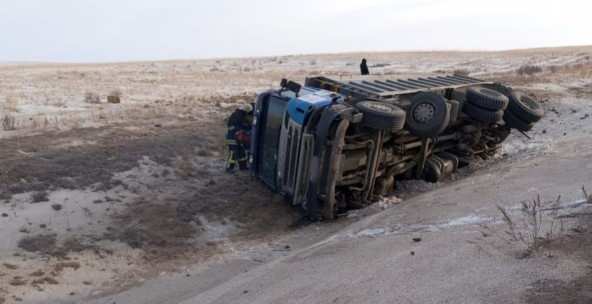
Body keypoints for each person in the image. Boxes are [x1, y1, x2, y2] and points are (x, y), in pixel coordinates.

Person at [225, 104, 253, 172]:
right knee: (233, 152)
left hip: (236, 136)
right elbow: (235, 126)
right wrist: (244, 128)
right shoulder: (238, 115)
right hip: (232, 136)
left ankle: (243, 167)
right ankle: (229, 168)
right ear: (246, 111)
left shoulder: (240, 114)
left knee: (241, 152)